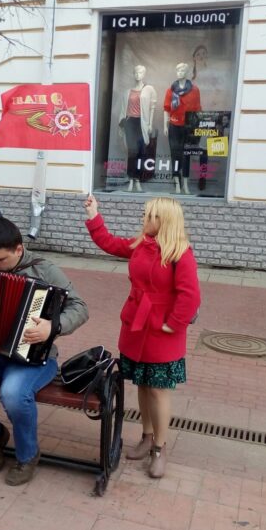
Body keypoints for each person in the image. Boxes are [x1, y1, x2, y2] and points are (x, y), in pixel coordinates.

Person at [0, 217, 89, 486]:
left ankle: (27, 455)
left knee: (13, 395)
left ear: (18, 249)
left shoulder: (45, 269)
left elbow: (80, 308)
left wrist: (52, 327)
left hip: (33, 356)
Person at [83, 195, 200, 478]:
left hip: (162, 331)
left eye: (150, 215)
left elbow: (190, 295)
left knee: (159, 389)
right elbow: (109, 243)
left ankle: (159, 448)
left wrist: (173, 324)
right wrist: (94, 215)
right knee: (143, 385)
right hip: (137, 325)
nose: (144, 219)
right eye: (146, 214)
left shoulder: (180, 253)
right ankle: (147, 437)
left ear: (165, 220)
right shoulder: (141, 244)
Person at [163, 63, 201, 196]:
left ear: (187, 72)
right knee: (175, 154)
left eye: (182, 70)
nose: (179, 72)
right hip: (174, 126)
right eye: (178, 70)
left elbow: (197, 110)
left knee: (186, 155)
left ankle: (185, 183)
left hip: (188, 127)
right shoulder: (171, 90)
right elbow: (166, 109)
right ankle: (177, 183)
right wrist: (165, 125)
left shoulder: (194, 90)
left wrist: (197, 128)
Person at [122, 65, 157, 193]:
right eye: (136, 72)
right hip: (130, 122)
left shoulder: (149, 89)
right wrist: (122, 124)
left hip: (142, 123)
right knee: (132, 152)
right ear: (133, 74)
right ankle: (131, 179)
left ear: (144, 74)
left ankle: (137, 180)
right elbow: (123, 109)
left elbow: (152, 107)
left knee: (141, 152)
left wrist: (150, 124)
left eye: (141, 72)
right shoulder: (128, 91)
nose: (138, 75)